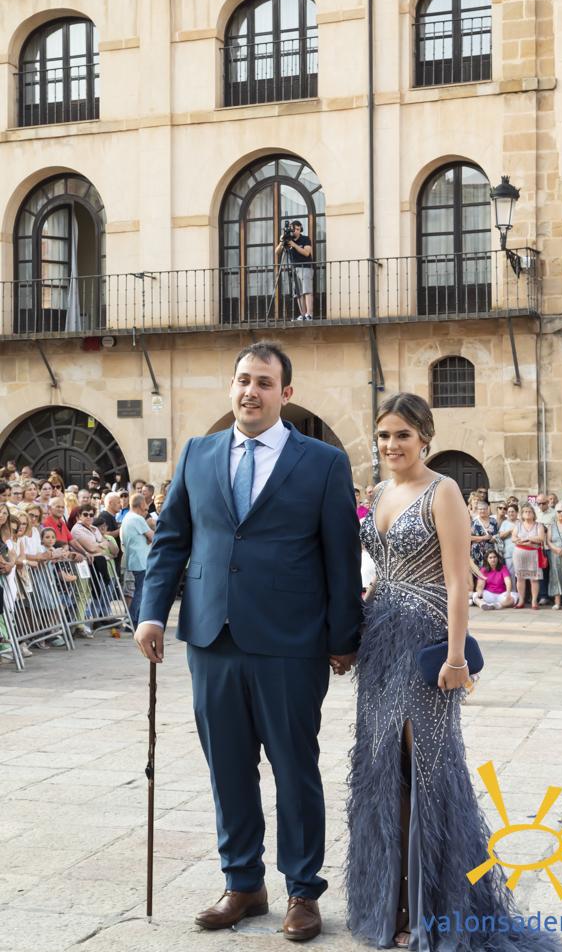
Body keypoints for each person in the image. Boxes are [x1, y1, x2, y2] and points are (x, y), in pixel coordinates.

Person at [134, 341, 362, 943]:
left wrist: (344, 638)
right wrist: (151, 613)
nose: (250, 392)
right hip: (212, 638)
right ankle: (243, 884)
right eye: (242, 380)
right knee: (228, 769)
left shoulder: (323, 463)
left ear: (286, 393)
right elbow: (172, 540)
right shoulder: (198, 452)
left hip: (291, 642)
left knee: (294, 768)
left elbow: (341, 556)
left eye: (263, 382)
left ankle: (303, 890)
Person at [345, 393, 562, 952]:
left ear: (425, 437)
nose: (391, 444)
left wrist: (457, 657)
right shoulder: (378, 492)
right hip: (380, 637)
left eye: (402, 435)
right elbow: (381, 568)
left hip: (425, 638)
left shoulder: (442, 491)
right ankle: (388, 904)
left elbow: (458, 581)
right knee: (381, 766)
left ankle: (434, 910)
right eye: (384, 435)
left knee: (427, 767)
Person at [120, 494, 153, 629]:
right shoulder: (137, 518)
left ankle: (135, 619)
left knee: (139, 591)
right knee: (140, 591)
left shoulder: (127, 517)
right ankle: (133, 620)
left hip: (134, 559)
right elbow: (153, 537)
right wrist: (150, 536)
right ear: (141, 505)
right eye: (145, 505)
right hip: (141, 560)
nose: (146, 508)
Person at [275, 219, 315, 321]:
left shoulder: (305, 239)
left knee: (307, 291)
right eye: (295, 229)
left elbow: (307, 253)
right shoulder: (288, 240)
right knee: (298, 293)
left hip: (305, 267)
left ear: (301, 230)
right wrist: (282, 242)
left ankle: (309, 314)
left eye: (298, 229)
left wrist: (294, 245)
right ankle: (303, 314)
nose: (296, 231)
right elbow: (277, 252)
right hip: (294, 269)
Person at [512, 503, 545, 609]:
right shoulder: (518, 525)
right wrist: (521, 541)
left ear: (534, 514)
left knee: (534, 578)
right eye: (525, 511)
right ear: (522, 514)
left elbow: (541, 538)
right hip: (519, 554)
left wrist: (528, 539)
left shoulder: (538, 525)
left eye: (530, 511)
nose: (527, 513)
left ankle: (534, 601)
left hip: (533, 554)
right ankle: (521, 600)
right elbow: (513, 538)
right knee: (520, 578)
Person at [469, 500, 499, 570]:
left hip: (491, 553)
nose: (482, 511)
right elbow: (469, 537)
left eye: (484, 509)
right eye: (480, 509)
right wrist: (483, 538)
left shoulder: (493, 521)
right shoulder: (474, 522)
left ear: (487, 509)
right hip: (477, 552)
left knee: (491, 570)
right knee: (479, 571)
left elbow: (497, 534)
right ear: (477, 510)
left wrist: (494, 538)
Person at [498, 503, 518, 585]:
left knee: (521, 574)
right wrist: (510, 531)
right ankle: (513, 591)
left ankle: (523, 592)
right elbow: (501, 536)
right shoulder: (504, 523)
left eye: (512, 511)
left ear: (517, 512)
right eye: (509, 512)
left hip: (521, 552)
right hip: (509, 552)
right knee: (511, 573)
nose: (510, 513)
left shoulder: (521, 522)